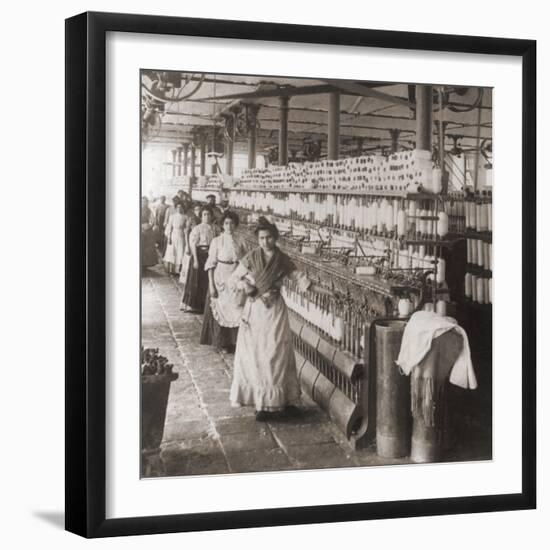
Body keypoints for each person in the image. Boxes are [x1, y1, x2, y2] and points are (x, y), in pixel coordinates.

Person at [229, 216, 332, 421]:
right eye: (261, 238)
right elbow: (233, 278)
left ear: (275, 238)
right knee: (257, 355)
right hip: (255, 311)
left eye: (268, 237)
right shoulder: (251, 257)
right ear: (257, 239)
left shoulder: (282, 259)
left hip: (275, 311)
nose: (265, 242)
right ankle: (262, 404)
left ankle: (282, 401)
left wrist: (328, 293)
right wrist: (247, 286)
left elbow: (302, 282)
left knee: (276, 353)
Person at [200, 211, 247, 351]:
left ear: (236, 225)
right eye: (226, 223)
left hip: (236, 276)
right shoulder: (217, 241)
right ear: (222, 225)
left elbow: (246, 262)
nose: (229, 226)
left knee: (236, 308)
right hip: (220, 275)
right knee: (221, 307)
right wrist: (212, 286)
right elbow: (210, 265)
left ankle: (235, 342)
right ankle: (222, 342)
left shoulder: (241, 240)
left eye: (232, 223)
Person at [180, 207, 220, 312]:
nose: (207, 217)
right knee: (197, 279)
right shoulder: (197, 228)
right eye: (204, 214)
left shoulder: (216, 228)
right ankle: (194, 305)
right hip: (199, 255)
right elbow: (193, 244)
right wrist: (196, 260)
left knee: (208, 280)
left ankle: (206, 305)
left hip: (211, 255)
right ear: (201, 216)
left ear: (212, 216)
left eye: (209, 214)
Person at [178, 203, 202, 287]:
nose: (198, 211)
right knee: (189, 261)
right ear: (194, 211)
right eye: (196, 210)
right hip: (191, 243)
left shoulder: (203, 219)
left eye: (199, 209)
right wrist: (187, 246)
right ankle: (187, 280)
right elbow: (186, 233)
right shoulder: (191, 219)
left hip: (199, 244)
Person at [162, 203, 187, 275]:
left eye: (181, 207)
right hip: (174, 234)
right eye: (178, 207)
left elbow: (186, 227)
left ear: (183, 208)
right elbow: (169, 227)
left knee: (180, 251)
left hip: (181, 235)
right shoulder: (172, 216)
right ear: (176, 208)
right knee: (172, 251)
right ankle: (170, 269)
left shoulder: (185, 217)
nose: (179, 208)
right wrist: (169, 237)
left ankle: (178, 270)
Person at [141, 197, 158, 270]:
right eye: (143, 202)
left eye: (145, 202)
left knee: (148, 247)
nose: (144, 203)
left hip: (147, 230)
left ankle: (145, 264)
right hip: (140, 229)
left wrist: (149, 226)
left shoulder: (149, 211)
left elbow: (153, 220)